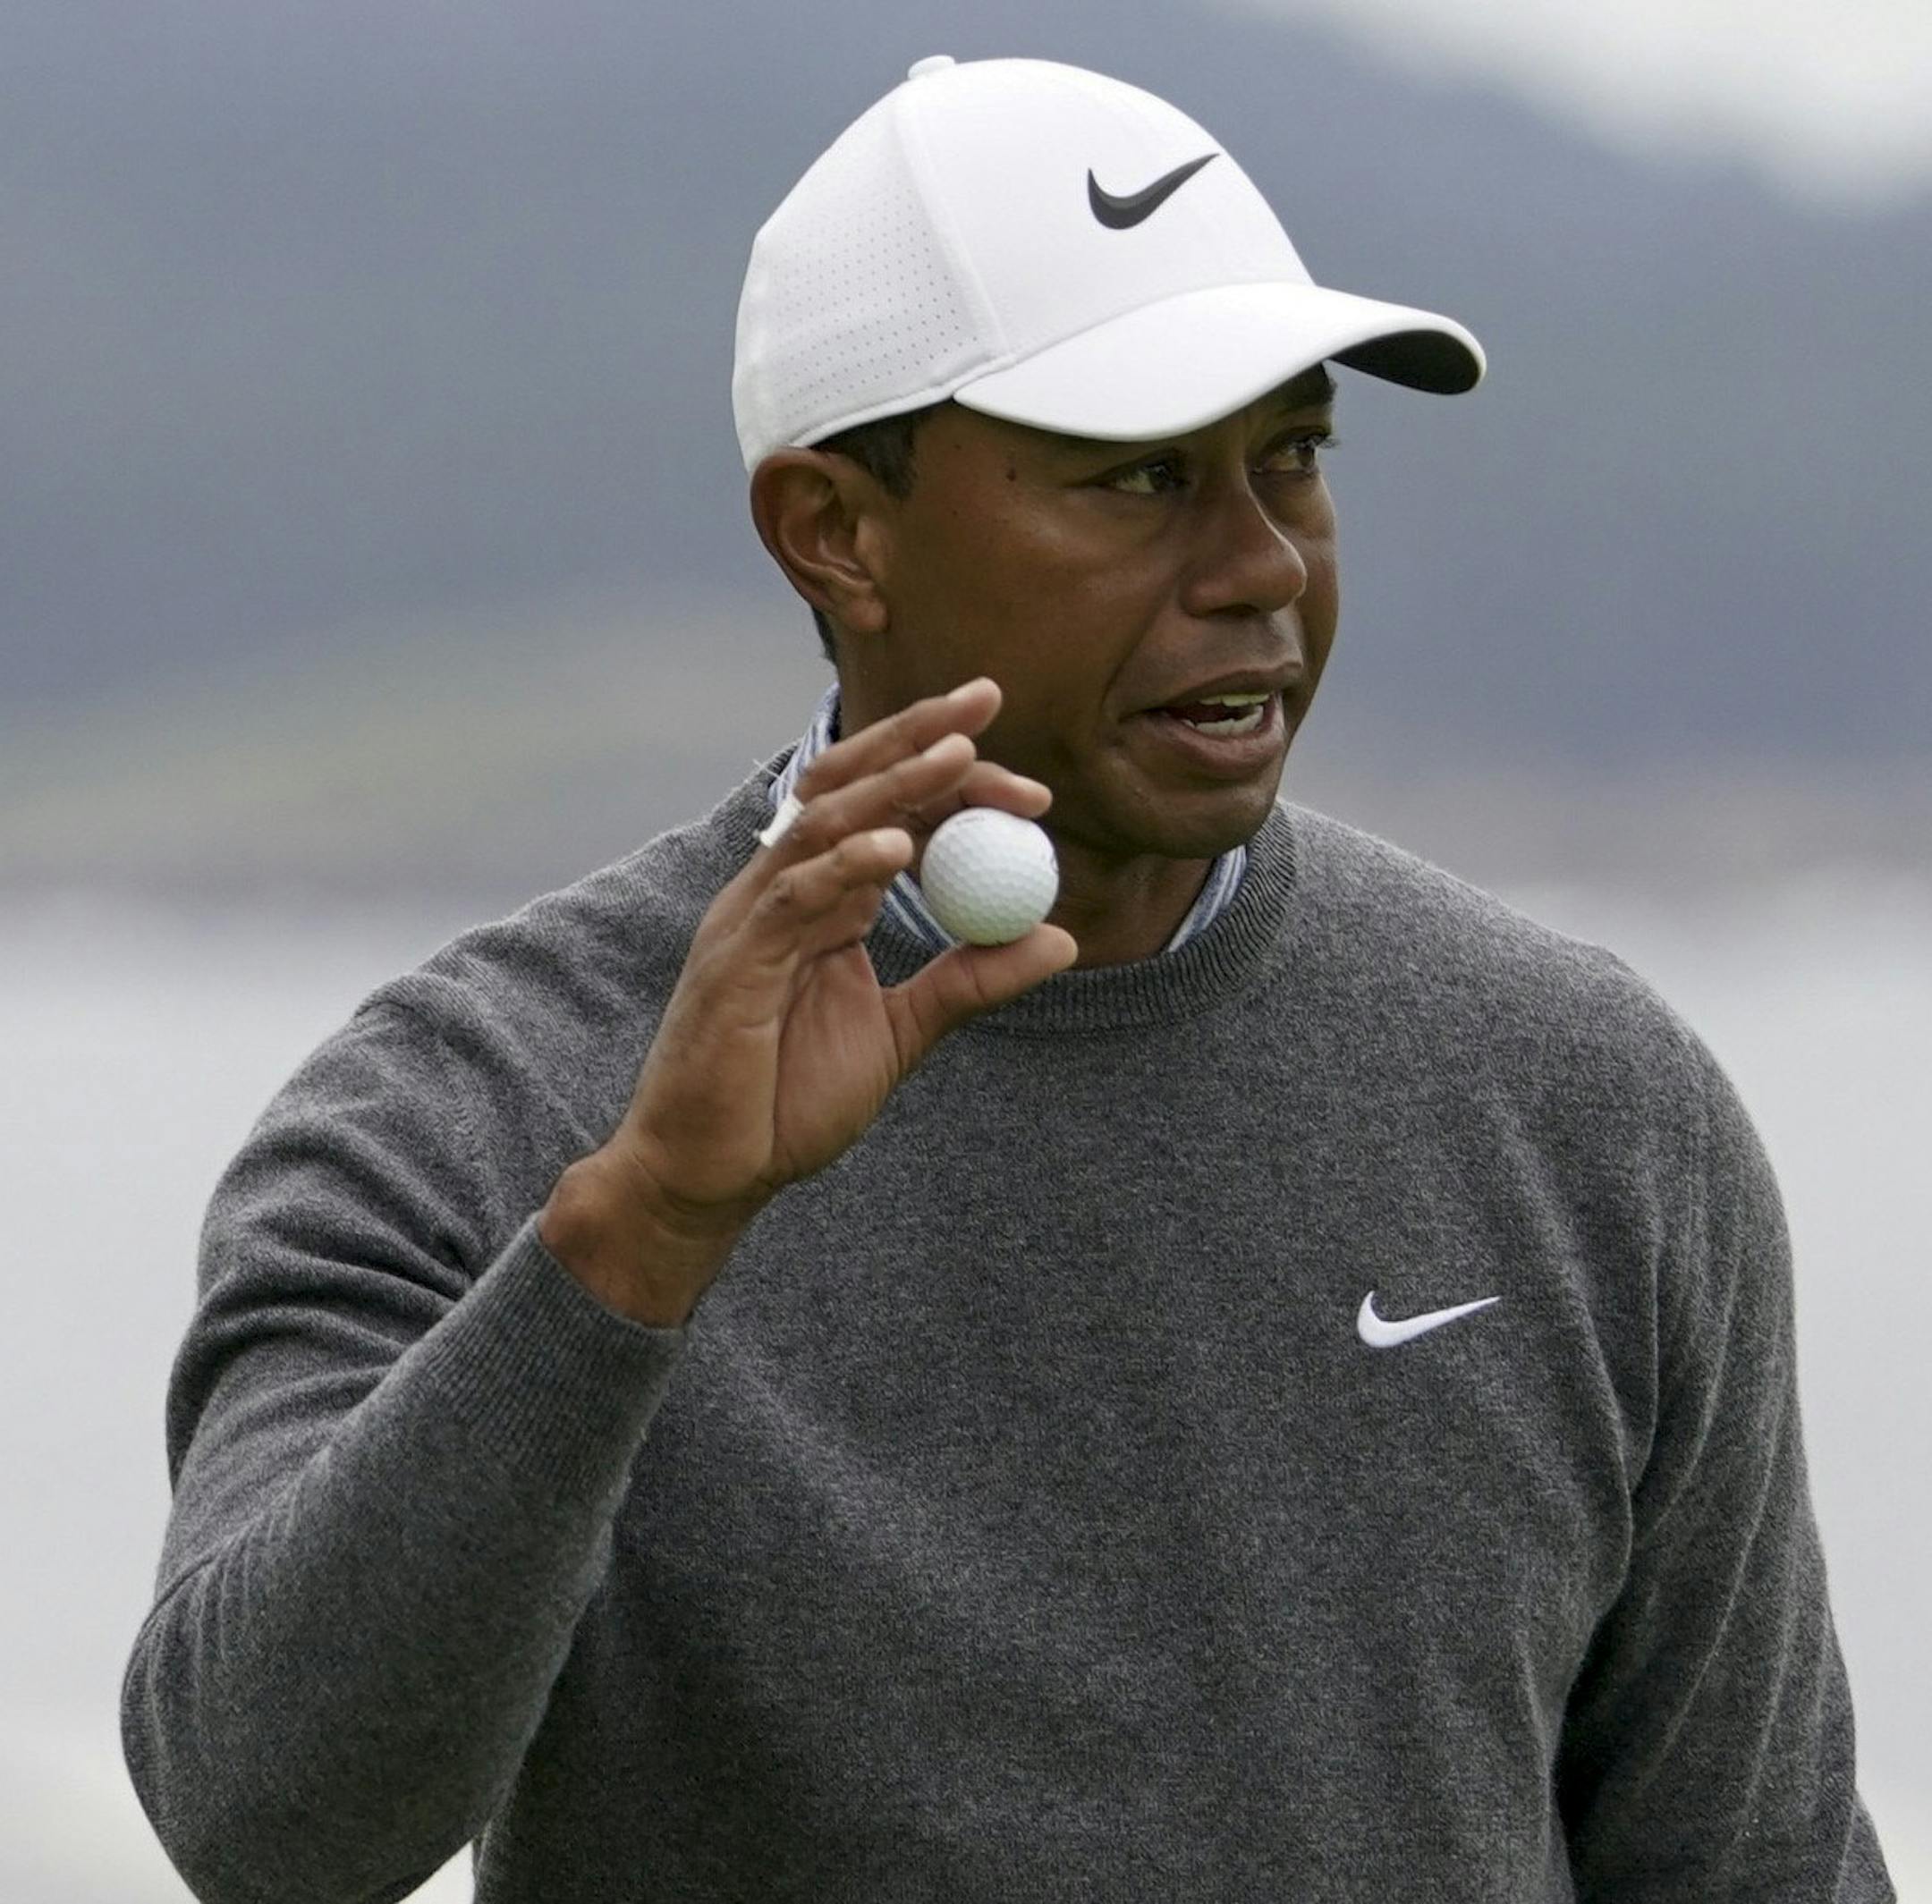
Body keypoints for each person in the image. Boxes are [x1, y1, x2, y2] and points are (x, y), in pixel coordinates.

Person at [121, 53, 1895, 1903]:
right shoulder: (471, 1105)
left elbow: (1754, 1867)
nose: (1262, 564)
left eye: (1292, 454)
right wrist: (641, 1238)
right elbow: (267, 1826)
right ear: (837, 531)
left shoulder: (1589, 1103)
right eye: (1138, 477)